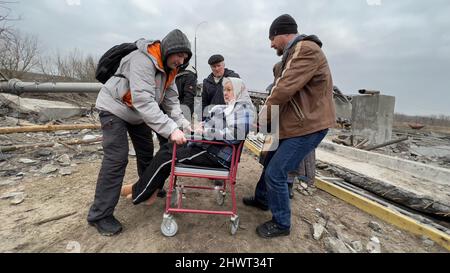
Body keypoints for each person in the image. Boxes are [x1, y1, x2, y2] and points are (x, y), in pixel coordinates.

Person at [87, 29, 192, 236]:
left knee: (146, 153)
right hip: (114, 109)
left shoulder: (170, 69)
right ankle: (99, 214)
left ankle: (149, 188)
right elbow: (143, 100)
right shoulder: (142, 60)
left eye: (185, 58)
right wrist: (171, 129)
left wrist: (184, 124)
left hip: (137, 114)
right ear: (169, 49)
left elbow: (171, 102)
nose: (181, 61)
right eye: (179, 55)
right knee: (117, 158)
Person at [243, 14, 336, 238]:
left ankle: (282, 223)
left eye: (272, 38)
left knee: (277, 172)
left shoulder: (305, 49)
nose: (271, 43)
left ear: (283, 34)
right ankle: (263, 199)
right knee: (268, 161)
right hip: (293, 125)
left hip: (307, 126)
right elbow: (283, 82)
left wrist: (262, 117)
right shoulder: (291, 55)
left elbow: (283, 88)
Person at [121, 77, 254, 205]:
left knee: (168, 156)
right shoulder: (229, 108)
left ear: (239, 91)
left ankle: (139, 191)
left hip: (216, 155)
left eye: (229, 90)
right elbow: (217, 126)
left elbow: (235, 135)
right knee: (167, 148)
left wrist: (206, 132)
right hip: (208, 147)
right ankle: (151, 190)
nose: (225, 93)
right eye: (224, 89)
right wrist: (201, 126)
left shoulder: (242, 109)